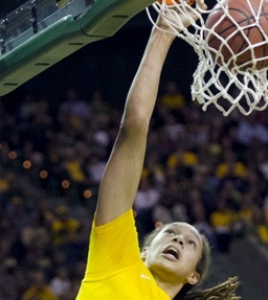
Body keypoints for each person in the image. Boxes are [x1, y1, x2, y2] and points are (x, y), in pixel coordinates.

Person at [75, 2, 239, 300]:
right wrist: (164, 31)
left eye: (190, 243)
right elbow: (134, 126)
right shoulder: (118, 260)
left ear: (194, 276)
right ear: (145, 250)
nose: (178, 238)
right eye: (172, 233)